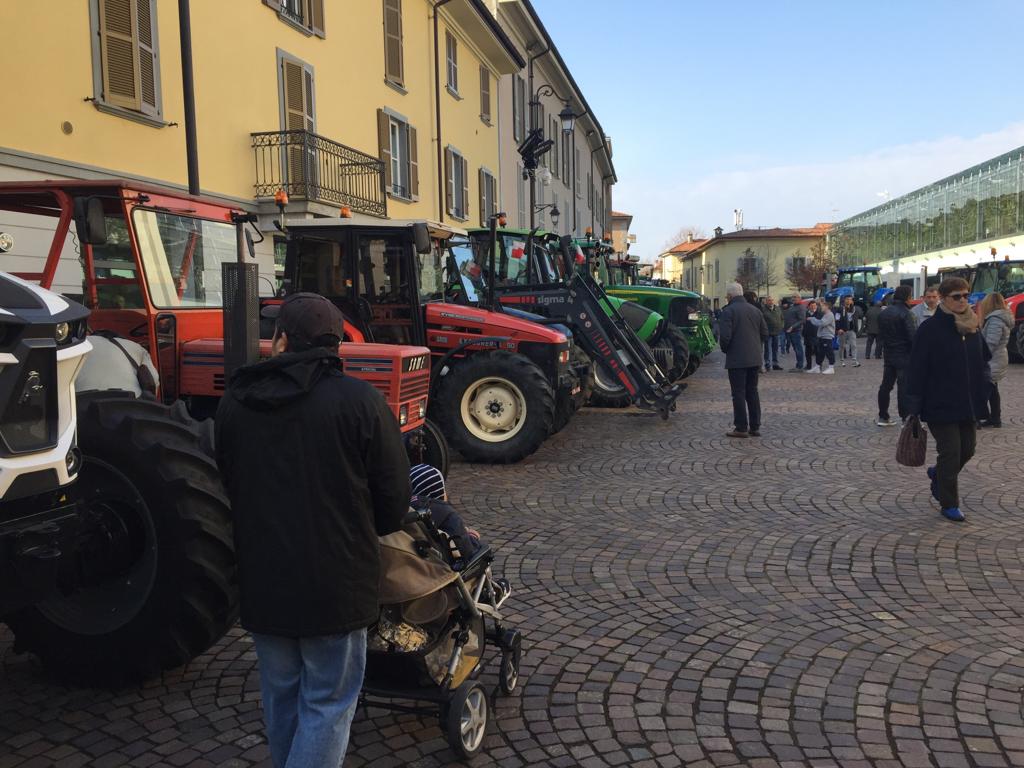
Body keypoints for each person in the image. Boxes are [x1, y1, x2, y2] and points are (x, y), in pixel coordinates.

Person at [215, 293, 411, 767]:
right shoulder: (361, 402)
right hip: (336, 585)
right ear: (338, 345)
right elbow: (393, 503)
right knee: (327, 703)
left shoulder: (235, 402)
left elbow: (228, 483)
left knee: (281, 699)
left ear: (280, 339)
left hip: (264, 580)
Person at [906, 278, 991, 523]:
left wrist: (985, 386)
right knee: (951, 452)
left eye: (966, 295)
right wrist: (913, 405)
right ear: (943, 298)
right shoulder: (930, 329)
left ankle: (938, 474)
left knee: (968, 449)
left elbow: (983, 359)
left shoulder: (973, 326)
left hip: (968, 402)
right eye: (957, 296)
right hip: (939, 403)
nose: (963, 299)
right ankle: (949, 502)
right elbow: (917, 369)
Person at [719, 281, 768, 438]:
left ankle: (741, 427)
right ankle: (755, 426)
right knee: (752, 392)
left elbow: (725, 337)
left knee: (738, 393)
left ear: (730, 296)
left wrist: (726, 349)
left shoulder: (728, 311)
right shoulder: (755, 310)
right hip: (754, 358)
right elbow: (765, 333)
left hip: (737, 359)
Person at [409, 463, 482, 560]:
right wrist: (473, 538)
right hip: (446, 565)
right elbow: (465, 548)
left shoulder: (409, 512)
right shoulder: (447, 514)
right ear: (438, 492)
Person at [876, 285, 916, 426]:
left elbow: (880, 335)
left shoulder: (884, 313)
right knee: (903, 387)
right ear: (907, 297)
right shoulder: (906, 313)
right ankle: (905, 417)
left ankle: (883, 415)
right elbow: (912, 337)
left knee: (886, 386)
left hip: (889, 353)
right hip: (904, 354)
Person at [978, 292, 1012, 428]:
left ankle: (976, 418)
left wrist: (980, 356)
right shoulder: (1001, 318)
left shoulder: (995, 320)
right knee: (992, 389)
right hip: (998, 357)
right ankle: (995, 417)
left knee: (984, 389)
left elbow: (991, 342)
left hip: (993, 359)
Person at [806, 297, 836, 374]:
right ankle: (817, 366)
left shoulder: (829, 315)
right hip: (822, 336)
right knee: (821, 353)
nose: (820, 307)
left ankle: (831, 367)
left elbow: (821, 323)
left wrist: (812, 319)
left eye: (822, 306)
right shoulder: (826, 314)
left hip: (827, 337)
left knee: (829, 351)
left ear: (827, 307)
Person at [836, 296, 863, 367]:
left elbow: (859, 316)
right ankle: (841, 360)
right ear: (844, 300)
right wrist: (838, 329)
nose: (849, 301)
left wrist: (857, 328)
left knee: (854, 345)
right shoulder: (840, 309)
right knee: (842, 346)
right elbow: (837, 319)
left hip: (851, 330)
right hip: (843, 330)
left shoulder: (854, 309)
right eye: (847, 299)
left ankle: (854, 360)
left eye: (850, 299)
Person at [782, 295, 806, 371]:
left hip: (796, 331)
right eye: (793, 297)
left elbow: (802, 320)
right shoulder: (793, 306)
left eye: (796, 297)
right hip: (790, 331)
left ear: (800, 298)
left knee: (798, 349)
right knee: (796, 349)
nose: (794, 299)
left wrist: (793, 327)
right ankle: (798, 365)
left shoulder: (800, 307)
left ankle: (800, 366)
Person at [760, 296, 784, 371]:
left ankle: (775, 364)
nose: (771, 302)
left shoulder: (778, 309)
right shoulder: (763, 310)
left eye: (772, 300)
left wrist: (781, 326)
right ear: (766, 301)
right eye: (769, 300)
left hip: (777, 332)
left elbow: (782, 318)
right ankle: (767, 364)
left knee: (776, 349)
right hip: (768, 333)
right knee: (767, 349)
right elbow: (761, 321)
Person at [801, 299, 819, 371]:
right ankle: (808, 365)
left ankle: (818, 365)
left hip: (816, 335)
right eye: (811, 306)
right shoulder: (805, 313)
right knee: (808, 352)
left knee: (817, 351)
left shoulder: (819, 313)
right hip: (807, 335)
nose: (813, 307)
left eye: (814, 306)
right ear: (808, 307)